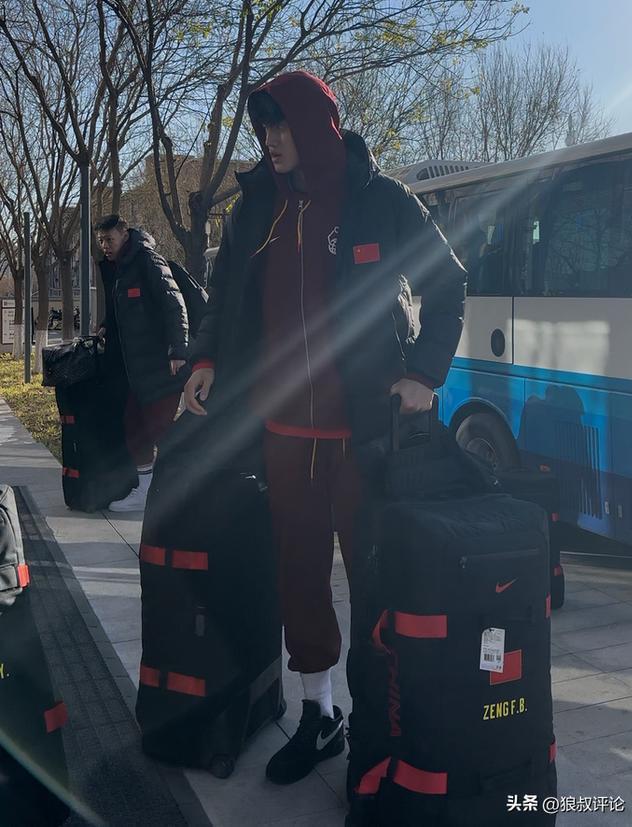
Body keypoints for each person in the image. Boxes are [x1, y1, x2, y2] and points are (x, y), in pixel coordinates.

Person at [184, 71, 466, 785]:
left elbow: (450, 282)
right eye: (263, 128)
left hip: (365, 438)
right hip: (284, 436)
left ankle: (381, 723)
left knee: (376, 585)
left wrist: (424, 373)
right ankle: (322, 713)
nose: (270, 141)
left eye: (281, 125)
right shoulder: (256, 208)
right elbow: (223, 296)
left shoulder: (381, 199)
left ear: (317, 127)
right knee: (300, 580)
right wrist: (206, 357)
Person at [95, 214, 189, 511]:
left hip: (161, 365)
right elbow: (125, 309)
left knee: (162, 430)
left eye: (109, 239)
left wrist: (178, 350)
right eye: (101, 241)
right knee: (135, 426)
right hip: (136, 370)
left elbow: (174, 303)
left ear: (124, 233)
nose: (105, 246)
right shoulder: (119, 268)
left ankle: (181, 491)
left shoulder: (148, 260)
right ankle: (146, 490)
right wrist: (107, 325)